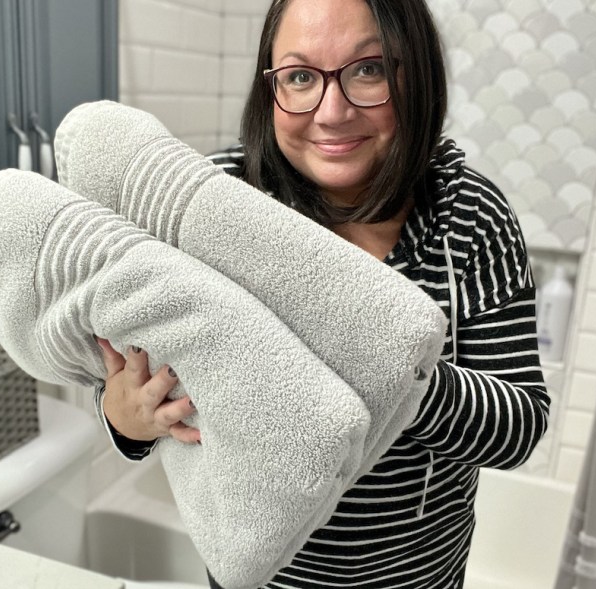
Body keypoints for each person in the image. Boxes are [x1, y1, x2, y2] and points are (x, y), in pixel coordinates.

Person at [97, 0, 551, 586]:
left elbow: (521, 425)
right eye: (301, 76)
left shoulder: (469, 216)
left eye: (369, 70)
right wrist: (125, 418)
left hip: (416, 577)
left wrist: (399, 374)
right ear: (271, 87)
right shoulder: (213, 205)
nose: (331, 112)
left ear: (415, 75)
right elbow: (130, 383)